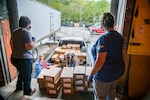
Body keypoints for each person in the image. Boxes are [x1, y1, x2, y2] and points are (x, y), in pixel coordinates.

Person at [87, 12, 125, 100]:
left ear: (102, 24)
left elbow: (100, 61)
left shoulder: (104, 39)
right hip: (116, 73)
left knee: (101, 97)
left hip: (104, 76)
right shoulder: (119, 36)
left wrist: (91, 75)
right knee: (111, 92)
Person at [10, 16, 36, 96]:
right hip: (24, 59)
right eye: (29, 24)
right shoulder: (26, 33)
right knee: (27, 75)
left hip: (14, 58)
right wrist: (33, 41)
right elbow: (29, 47)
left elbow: (11, 43)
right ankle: (28, 91)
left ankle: (19, 86)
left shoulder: (15, 32)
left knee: (21, 72)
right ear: (27, 24)